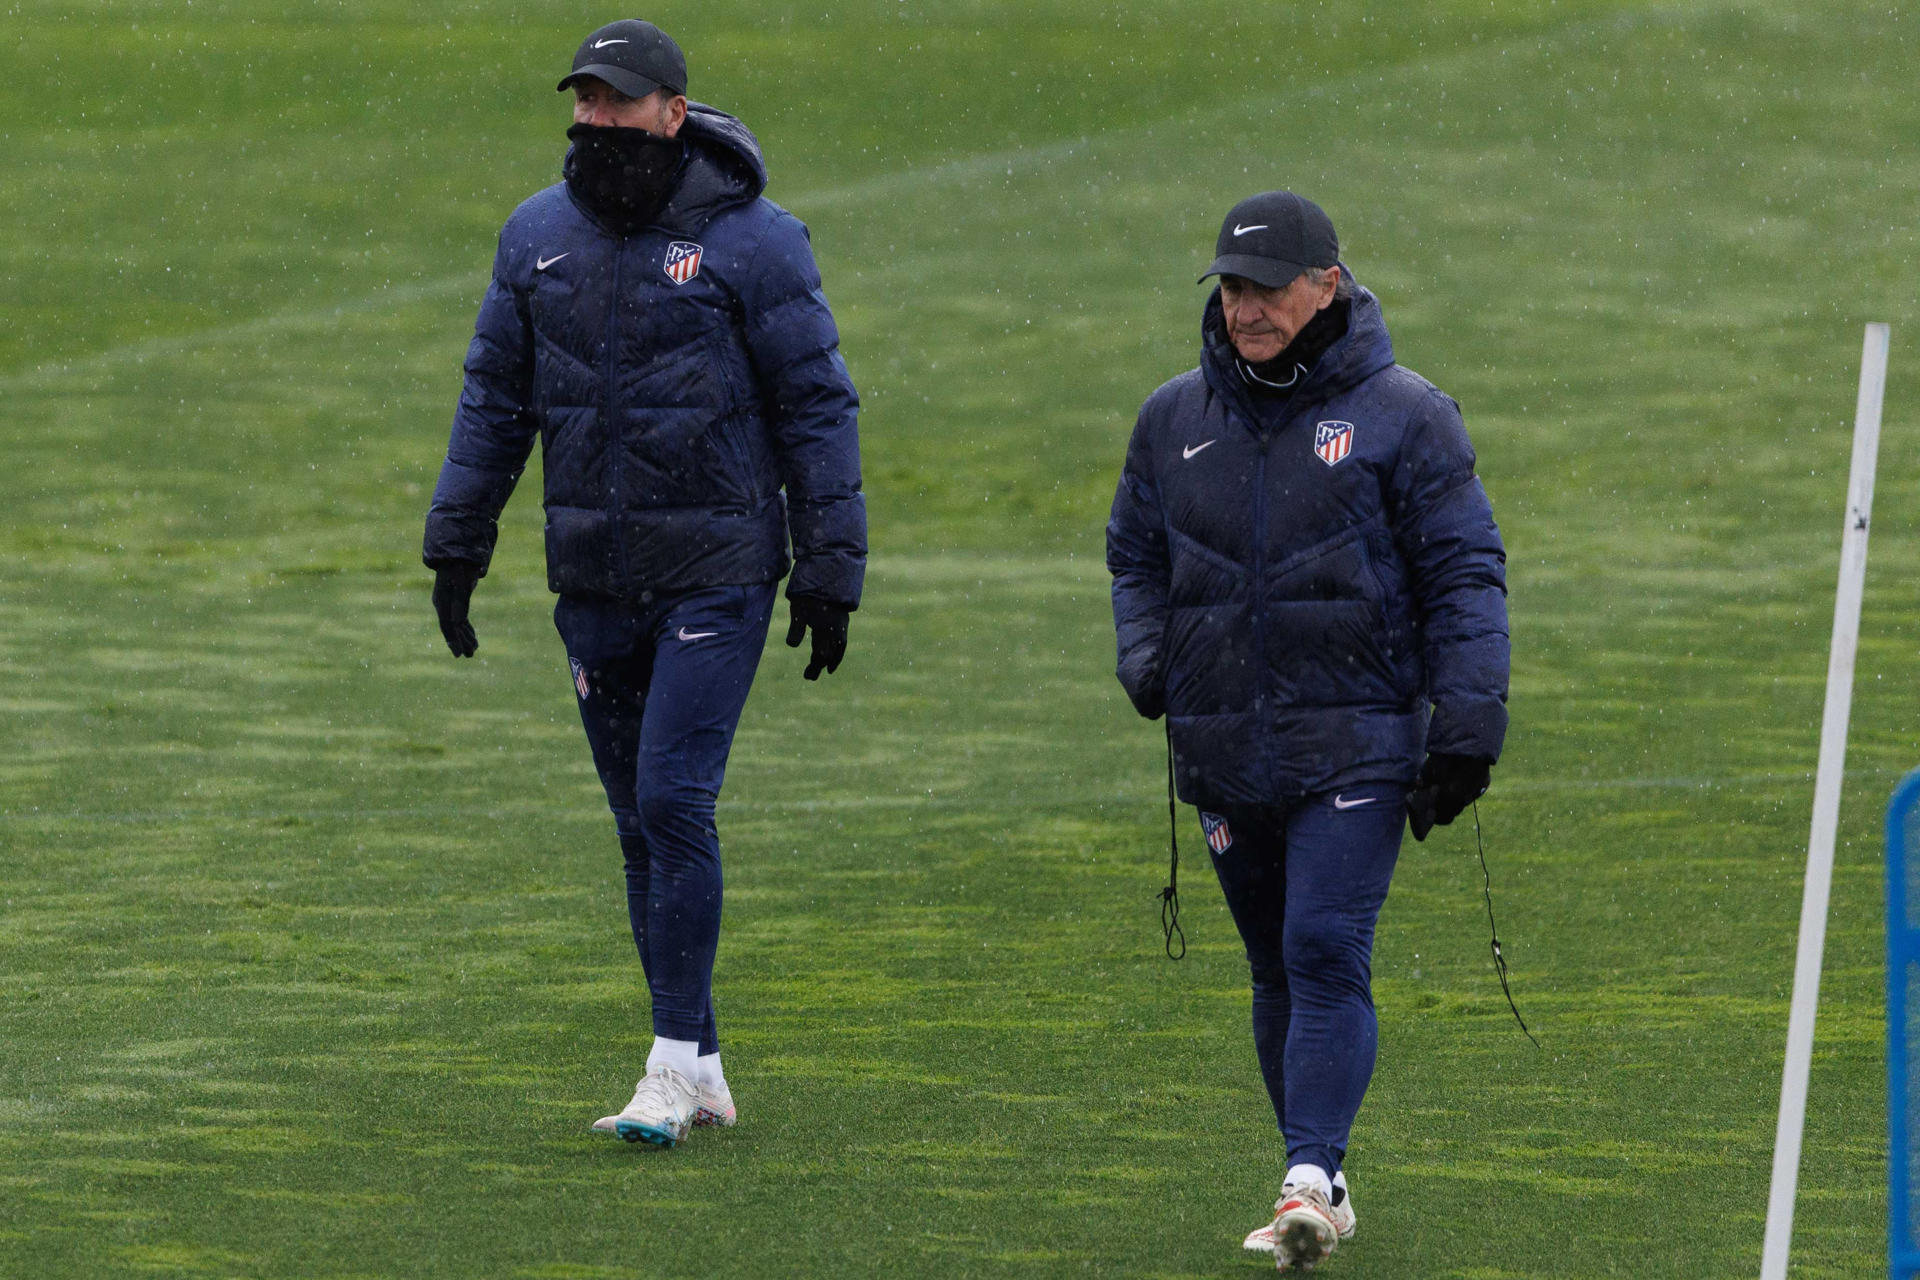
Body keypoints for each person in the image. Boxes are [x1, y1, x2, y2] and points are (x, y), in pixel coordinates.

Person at [422, 18, 865, 1148]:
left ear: (675, 112)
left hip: (717, 574)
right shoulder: (536, 236)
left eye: (618, 102)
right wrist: (457, 543)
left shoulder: (757, 243)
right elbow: (494, 398)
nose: (596, 120)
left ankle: (666, 1065)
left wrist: (827, 566)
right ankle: (705, 1062)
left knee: (674, 802)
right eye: (584, 100)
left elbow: (815, 406)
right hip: (592, 576)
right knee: (636, 823)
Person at [1105, 190, 1508, 1269]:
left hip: (1359, 740)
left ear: (1327, 284)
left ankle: (1309, 1176)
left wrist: (1465, 727)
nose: (1247, 309)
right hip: (1225, 741)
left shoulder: (1407, 414)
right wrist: (1149, 661)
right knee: (1275, 969)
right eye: (1232, 288)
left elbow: (1465, 572)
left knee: (1324, 947)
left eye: (1268, 287)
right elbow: (1133, 555)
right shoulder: (1171, 419)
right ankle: (1319, 1168)